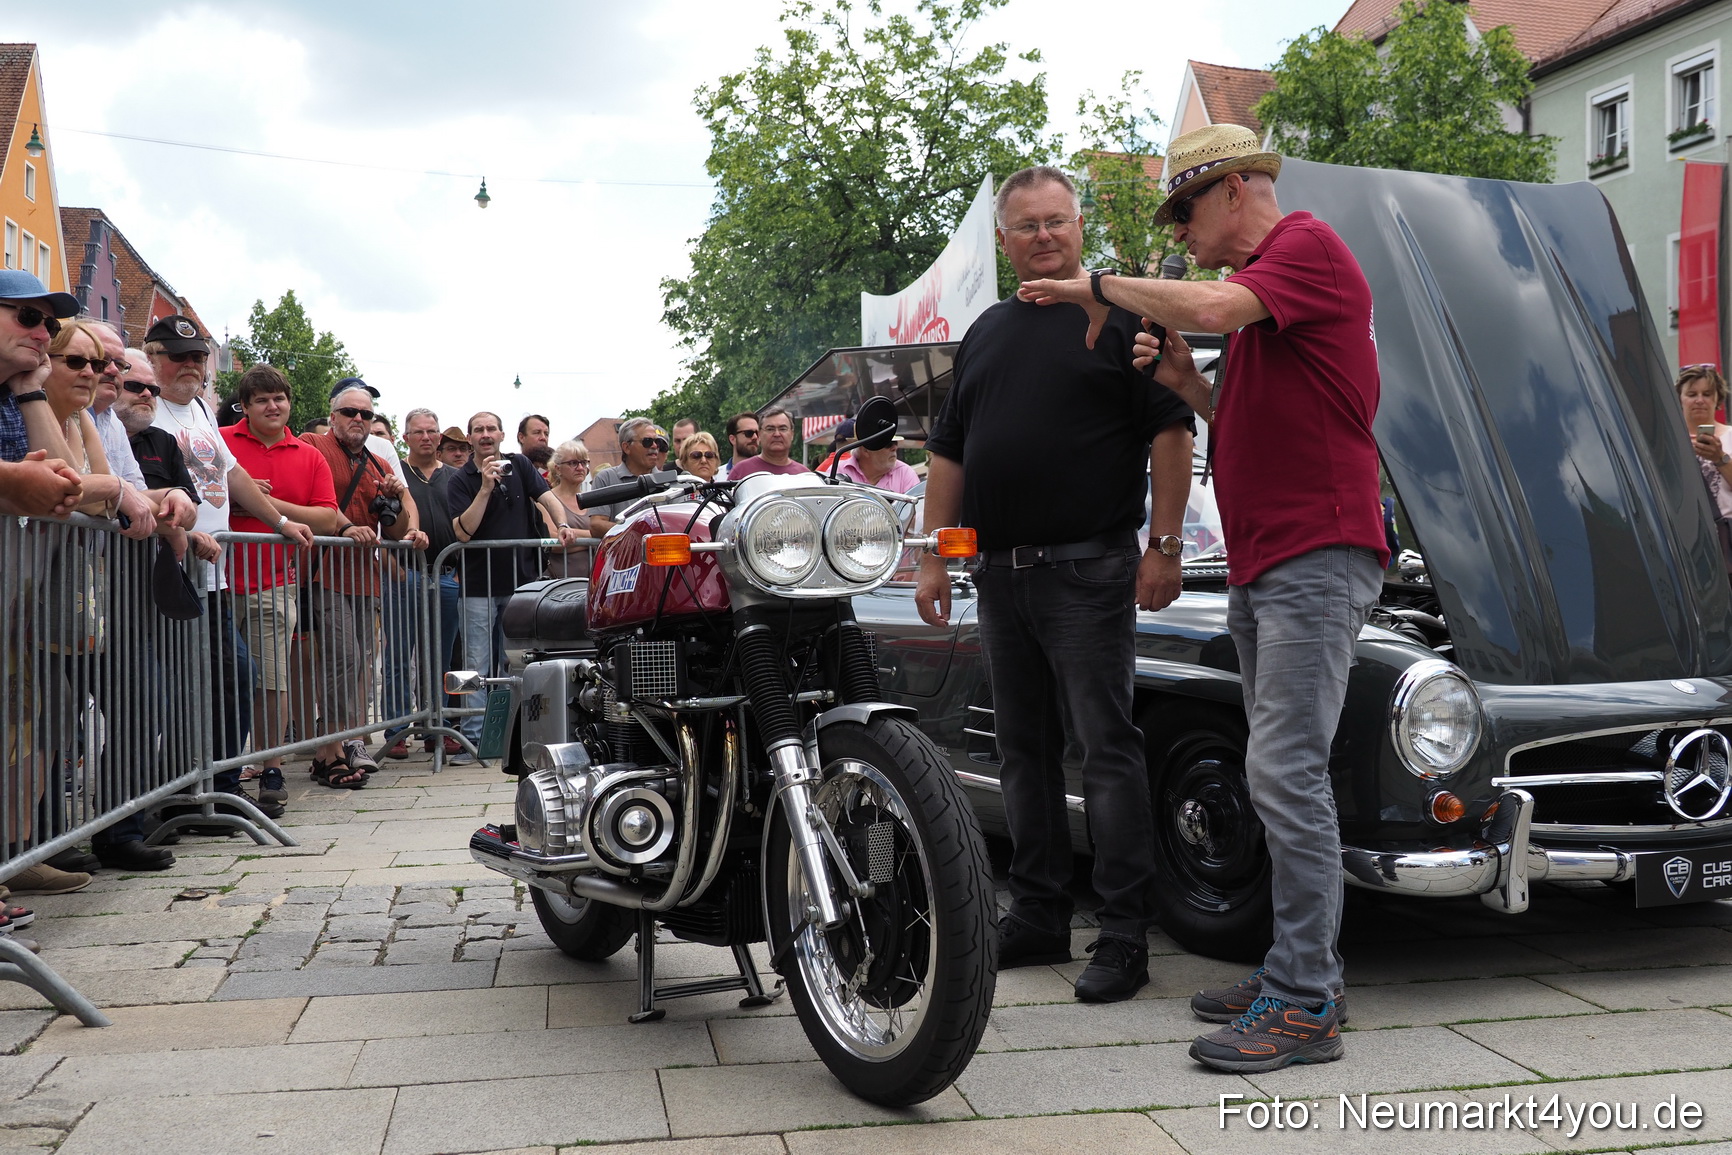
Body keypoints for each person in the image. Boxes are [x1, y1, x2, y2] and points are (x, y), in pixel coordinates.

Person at [1019, 125, 1388, 1071]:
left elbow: (1218, 304)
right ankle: (1295, 970)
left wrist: (1097, 285)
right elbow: (1267, 420)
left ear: (1232, 190)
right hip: (1280, 556)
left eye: (1183, 210)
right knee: (1277, 766)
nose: (1181, 232)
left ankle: (1306, 997)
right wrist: (1189, 385)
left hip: (1315, 550)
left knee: (1286, 771)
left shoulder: (1303, 245)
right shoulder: (1279, 298)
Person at [914, 164, 1195, 1005]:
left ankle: (1122, 934)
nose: (1043, 235)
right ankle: (1037, 913)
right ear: (1004, 241)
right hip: (1000, 573)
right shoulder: (987, 332)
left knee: (1106, 750)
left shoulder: (1122, 318)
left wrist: (1166, 545)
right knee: (1022, 752)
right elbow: (949, 453)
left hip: (1091, 566)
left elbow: (1171, 432)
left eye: (1056, 221)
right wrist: (936, 552)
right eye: (1027, 225)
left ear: (1081, 227)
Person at [148, 313, 314, 815]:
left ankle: (219, 783)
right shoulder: (148, 409)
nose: (191, 365)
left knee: (233, 675)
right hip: (171, 567)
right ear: (154, 358)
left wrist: (281, 521)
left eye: (198, 356)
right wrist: (184, 530)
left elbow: (233, 474)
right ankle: (182, 791)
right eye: (179, 357)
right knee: (183, 685)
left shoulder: (199, 408)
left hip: (212, 573)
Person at [221, 364, 339, 807]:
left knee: (271, 680)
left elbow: (328, 517)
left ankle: (271, 768)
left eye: (279, 398)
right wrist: (237, 493)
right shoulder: (221, 441)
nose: (273, 406)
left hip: (272, 582)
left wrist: (266, 503)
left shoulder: (309, 456)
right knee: (216, 681)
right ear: (245, 407)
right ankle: (219, 768)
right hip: (211, 580)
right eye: (262, 400)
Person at [301, 386, 427, 786]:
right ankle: (339, 745)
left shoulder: (375, 463)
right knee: (344, 658)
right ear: (333, 415)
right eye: (350, 412)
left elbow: (396, 530)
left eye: (367, 415)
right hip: (324, 571)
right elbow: (319, 499)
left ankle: (341, 745)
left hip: (364, 577)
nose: (359, 419)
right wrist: (345, 526)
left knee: (358, 664)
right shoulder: (313, 444)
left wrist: (395, 505)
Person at [447, 411, 580, 759]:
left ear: (503, 434)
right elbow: (463, 531)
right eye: (479, 430)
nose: (486, 434)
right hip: (478, 585)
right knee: (477, 663)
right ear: (471, 438)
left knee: (518, 661)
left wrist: (562, 522)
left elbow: (548, 498)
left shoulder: (519, 465)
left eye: (491, 428)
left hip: (522, 583)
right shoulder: (461, 480)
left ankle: (517, 734)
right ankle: (475, 737)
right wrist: (485, 488)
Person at [399, 408, 463, 756]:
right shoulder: (397, 472)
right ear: (405, 437)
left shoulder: (455, 476)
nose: (426, 437)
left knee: (445, 655)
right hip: (406, 571)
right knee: (400, 652)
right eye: (419, 432)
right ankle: (396, 727)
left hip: (448, 573)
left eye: (432, 431)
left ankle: (443, 724)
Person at [586, 418, 670, 535]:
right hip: (622, 553)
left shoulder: (668, 480)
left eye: (657, 442)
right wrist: (638, 531)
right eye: (647, 441)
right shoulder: (606, 478)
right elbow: (596, 525)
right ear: (626, 447)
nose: (655, 446)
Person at [1680, 365, 1732, 519]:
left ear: (1718, 399)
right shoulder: (1669, 442)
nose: (1700, 400)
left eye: (1707, 394)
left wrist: (1720, 458)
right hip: (1685, 533)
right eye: (1692, 394)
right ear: (1679, 399)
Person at [544, 439, 598, 579]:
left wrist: (573, 537)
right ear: (558, 468)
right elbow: (553, 541)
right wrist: (594, 539)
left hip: (593, 582)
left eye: (584, 462)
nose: (580, 468)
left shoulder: (594, 499)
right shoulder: (547, 499)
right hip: (559, 584)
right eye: (573, 463)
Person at [728, 408, 811, 481]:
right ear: (759, 435)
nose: (777, 434)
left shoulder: (805, 475)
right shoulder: (740, 471)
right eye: (770, 429)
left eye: (783, 429)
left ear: (792, 434)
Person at [837, 430, 918, 493]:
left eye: (895, 443)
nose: (894, 448)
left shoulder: (905, 473)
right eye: (888, 444)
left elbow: (916, 512)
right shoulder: (838, 471)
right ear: (865, 450)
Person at [718, 411, 760, 480]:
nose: (755, 437)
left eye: (757, 433)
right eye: (749, 433)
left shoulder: (768, 474)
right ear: (732, 439)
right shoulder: (717, 477)